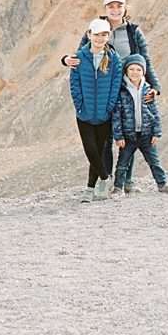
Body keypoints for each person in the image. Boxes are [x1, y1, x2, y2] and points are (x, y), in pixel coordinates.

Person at [60, 0, 162, 193]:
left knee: (130, 135)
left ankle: (126, 181)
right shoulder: (97, 28)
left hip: (129, 88)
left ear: (125, 8)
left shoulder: (133, 32)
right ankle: (103, 180)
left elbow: (145, 60)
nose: (115, 10)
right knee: (105, 140)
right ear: (105, 9)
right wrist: (64, 59)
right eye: (111, 6)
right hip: (104, 91)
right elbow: (80, 55)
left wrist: (155, 86)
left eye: (119, 6)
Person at [69, 18, 122, 203]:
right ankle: (105, 178)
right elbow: (74, 84)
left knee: (99, 151)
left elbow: (116, 84)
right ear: (89, 35)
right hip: (84, 114)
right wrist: (80, 105)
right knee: (90, 150)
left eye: (104, 35)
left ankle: (89, 190)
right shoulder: (79, 57)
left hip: (104, 115)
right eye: (97, 34)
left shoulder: (113, 58)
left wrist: (109, 107)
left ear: (108, 36)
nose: (100, 38)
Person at [110, 54, 168, 195]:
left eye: (138, 70)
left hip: (146, 135)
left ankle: (162, 184)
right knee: (122, 164)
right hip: (128, 136)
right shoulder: (121, 91)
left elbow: (155, 112)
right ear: (126, 72)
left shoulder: (148, 90)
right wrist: (118, 136)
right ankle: (118, 188)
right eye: (132, 69)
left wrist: (156, 132)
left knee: (154, 161)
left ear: (144, 72)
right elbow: (116, 115)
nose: (135, 73)